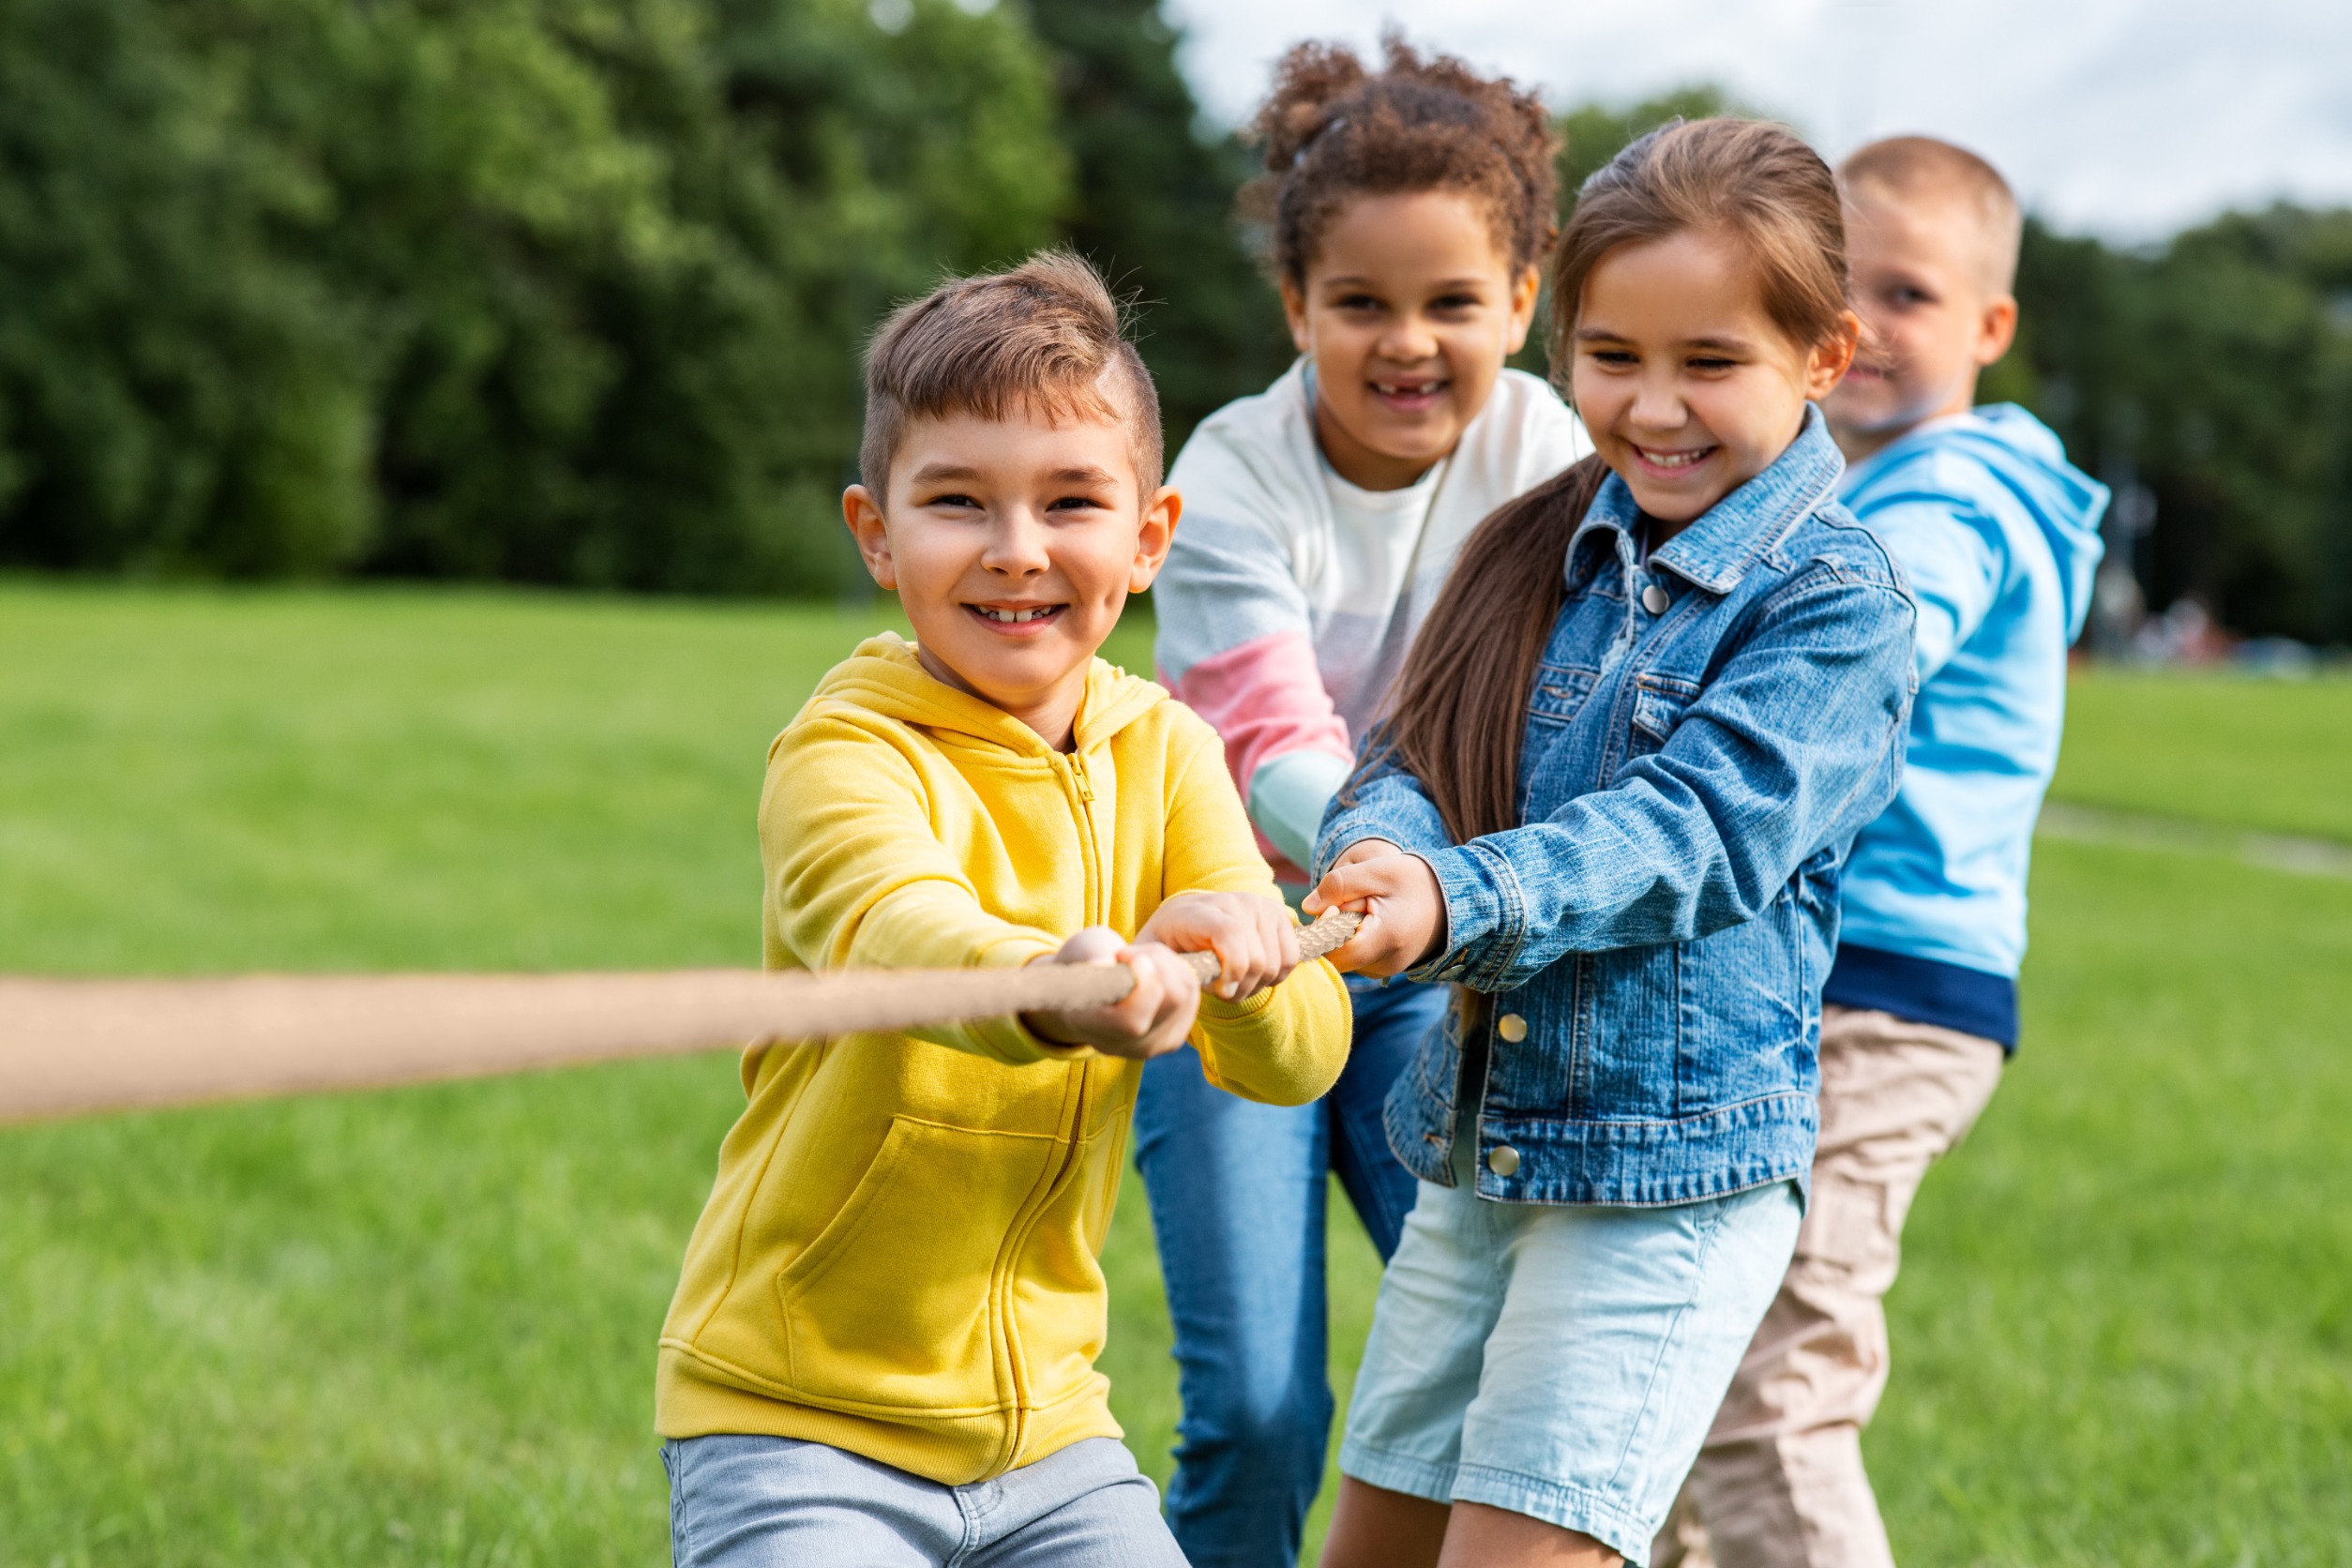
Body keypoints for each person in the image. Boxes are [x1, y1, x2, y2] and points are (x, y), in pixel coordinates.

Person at [652, 251, 1353, 1568]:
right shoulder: (844, 752)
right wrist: (1054, 980)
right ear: (876, 532)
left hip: (1048, 1434)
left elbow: (1305, 1052)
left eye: (1072, 501)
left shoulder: (1170, 752)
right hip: (798, 1420)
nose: (1017, 550)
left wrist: (1253, 959)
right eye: (957, 502)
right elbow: (894, 926)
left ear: (1148, 539)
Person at [1300, 118, 1920, 1568]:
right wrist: (1380, 860)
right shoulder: (1540, 539)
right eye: (1610, 356)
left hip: (1665, 1185)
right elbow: (1412, 760)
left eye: (1709, 364)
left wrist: (1454, 899)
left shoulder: (1837, 605)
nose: (1651, 409)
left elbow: (1695, 833)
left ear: (1824, 356)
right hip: (1476, 1158)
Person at [1141, 39, 1591, 1566]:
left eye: (1454, 301)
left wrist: (1452, 904)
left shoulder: (1562, 462)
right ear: (1296, 308)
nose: (1409, 343)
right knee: (1261, 1406)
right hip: (1240, 949)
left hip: (1440, 970)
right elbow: (1268, 734)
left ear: (1524, 302)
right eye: (1362, 305)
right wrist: (1406, 866)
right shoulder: (1234, 475)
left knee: (1475, 1369)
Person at [1654, 137, 2109, 1568]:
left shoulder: (1945, 496)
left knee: (1768, 1388)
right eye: (1838, 284)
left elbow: (1879, 641)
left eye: (1909, 293)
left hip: (1888, 994)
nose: (1866, 323)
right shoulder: (1849, 485)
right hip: (1817, 983)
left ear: (1990, 329)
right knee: (1663, 1377)